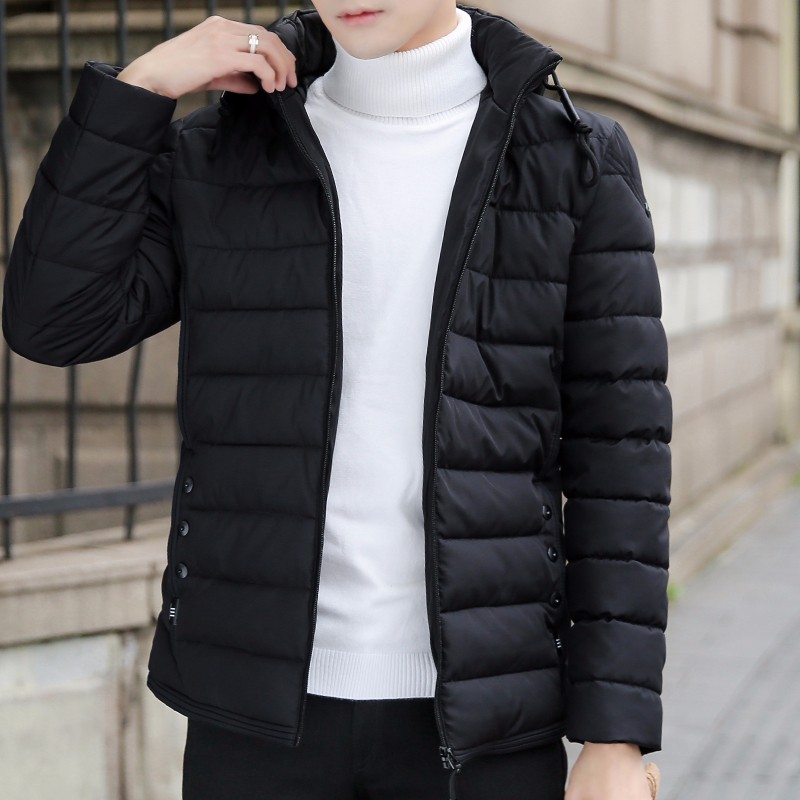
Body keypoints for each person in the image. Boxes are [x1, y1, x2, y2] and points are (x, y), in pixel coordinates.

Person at [1, 1, 671, 798]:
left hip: (484, 726)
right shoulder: (226, 151)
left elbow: (619, 464)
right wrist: (139, 91)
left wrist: (615, 735)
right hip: (256, 718)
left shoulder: (574, 158)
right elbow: (53, 322)